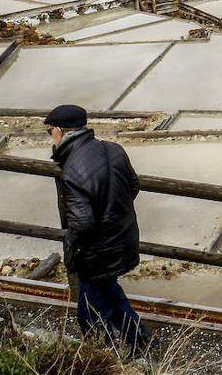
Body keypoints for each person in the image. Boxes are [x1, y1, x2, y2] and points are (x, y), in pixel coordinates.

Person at [45, 104, 150, 357]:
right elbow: (133, 187)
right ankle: (140, 341)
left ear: (60, 131)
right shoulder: (114, 149)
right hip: (123, 237)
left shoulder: (71, 168)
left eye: (50, 132)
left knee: (88, 313)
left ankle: (103, 358)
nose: (50, 137)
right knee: (110, 292)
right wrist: (113, 215)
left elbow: (82, 222)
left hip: (96, 249)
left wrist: (71, 246)